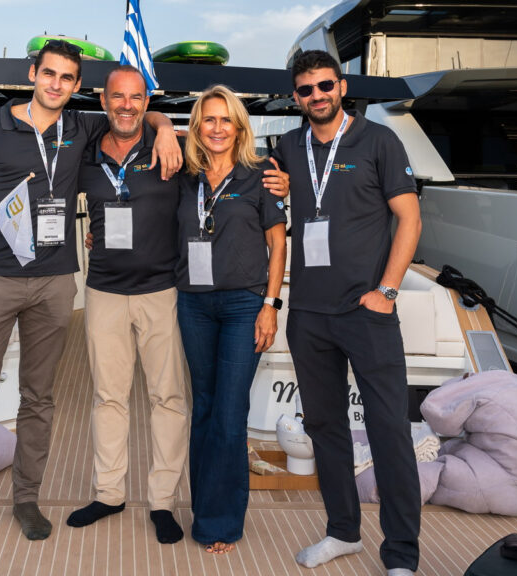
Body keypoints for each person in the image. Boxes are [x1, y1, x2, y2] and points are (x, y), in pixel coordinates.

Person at [0, 41, 181, 545]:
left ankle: (26, 500)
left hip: (56, 283)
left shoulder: (83, 125)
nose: (57, 84)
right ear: (32, 74)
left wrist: (165, 128)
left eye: (67, 78)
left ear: (79, 87)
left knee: (39, 399)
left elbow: (137, 110)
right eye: (49, 74)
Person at [273, 50, 422, 576]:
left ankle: (402, 555)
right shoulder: (288, 146)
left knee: (388, 430)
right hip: (309, 313)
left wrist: (387, 290)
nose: (317, 96)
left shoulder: (378, 140)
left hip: (367, 311)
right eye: (307, 89)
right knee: (325, 427)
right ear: (296, 97)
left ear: (342, 86)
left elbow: (410, 219)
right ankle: (343, 532)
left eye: (325, 86)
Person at [64, 65, 188, 544]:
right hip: (104, 293)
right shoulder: (84, 155)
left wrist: (166, 128)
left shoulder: (168, 151)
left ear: (145, 101)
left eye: (138, 98)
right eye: (119, 97)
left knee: (168, 399)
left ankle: (162, 502)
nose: (128, 106)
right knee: (108, 397)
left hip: (163, 291)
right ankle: (109, 492)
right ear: (103, 100)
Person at [175, 85, 287, 554]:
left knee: (229, 412)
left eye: (227, 120)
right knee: (202, 407)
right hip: (194, 304)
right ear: (197, 126)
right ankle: (205, 508)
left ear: (240, 128)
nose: (217, 128)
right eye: (209, 119)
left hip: (245, 305)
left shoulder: (261, 175)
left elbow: (279, 244)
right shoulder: (184, 176)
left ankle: (221, 522)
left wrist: (270, 305)